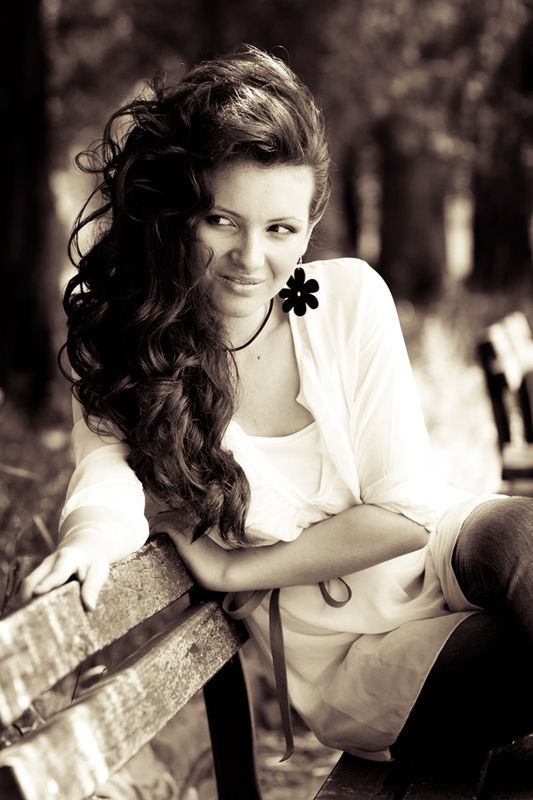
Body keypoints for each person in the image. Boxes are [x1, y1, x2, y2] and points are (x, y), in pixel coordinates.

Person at [22, 45, 533, 765]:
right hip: (362, 660)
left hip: (445, 552)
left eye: (279, 229)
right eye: (220, 220)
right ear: (175, 215)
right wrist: (87, 542)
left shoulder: (346, 299)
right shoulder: (133, 360)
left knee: (525, 531)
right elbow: (103, 482)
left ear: (309, 226)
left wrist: (237, 571)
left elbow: (409, 515)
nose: (251, 259)